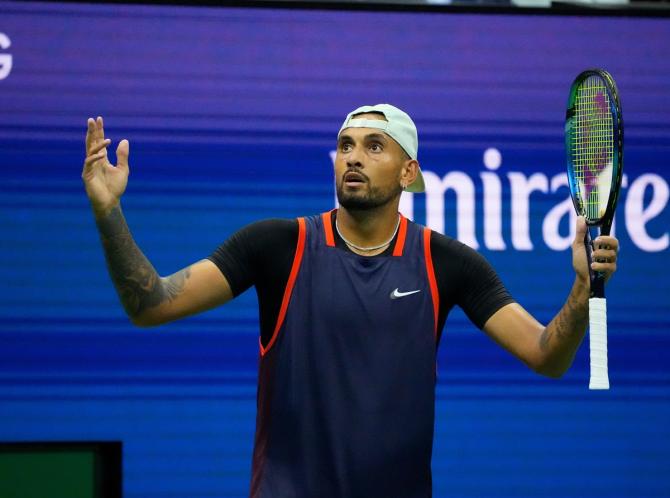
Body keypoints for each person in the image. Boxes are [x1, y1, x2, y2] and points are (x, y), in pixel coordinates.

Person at [82, 104, 619, 498]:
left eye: (373, 146)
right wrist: (109, 212)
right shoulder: (275, 246)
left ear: (409, 172)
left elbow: (547, 355)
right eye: (345, 146)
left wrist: (581, 287)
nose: (353, 159)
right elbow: (149, 303)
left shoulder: (449, 263)